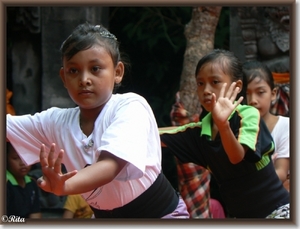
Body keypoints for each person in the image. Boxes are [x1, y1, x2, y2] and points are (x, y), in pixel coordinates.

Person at [6, 22, 189, 218]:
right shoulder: (55, 121)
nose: (84, 79)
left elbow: (109, 166)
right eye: (73, 71)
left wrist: (64, 186)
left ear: (117, 72)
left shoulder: (130, 107)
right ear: (63, 77)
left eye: (95, 68)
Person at [159, 49, 289, 218]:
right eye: (200, 83)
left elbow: (236, 157)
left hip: (278, 212)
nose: (206, 90)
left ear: (237, 86)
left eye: (215, 82)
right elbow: (156, 135)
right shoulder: (200, 132)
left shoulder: (248, 114)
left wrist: (223, 125)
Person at [243, 60, 290, 185]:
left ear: (273, 94)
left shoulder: (286, 126)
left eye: (260, 92)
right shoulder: (236, 129)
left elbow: (281, 172)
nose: (253, 100)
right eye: (246, 93)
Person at [6, 142, 42, 218]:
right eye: (16, 158)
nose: (23, 163)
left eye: (26, 157)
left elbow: (35, 214)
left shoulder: (32, 183)